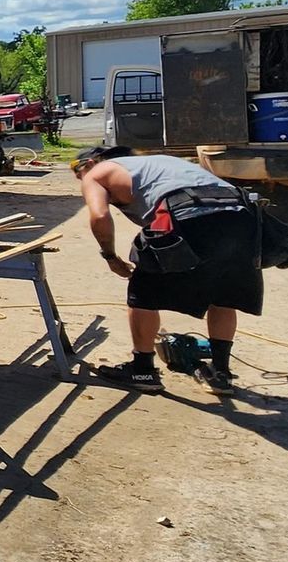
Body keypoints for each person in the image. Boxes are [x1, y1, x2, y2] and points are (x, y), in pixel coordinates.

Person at [71, 146, 262, 393]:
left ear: (90, 163)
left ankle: (143, 371)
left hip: (183, 213)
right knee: (222, 295)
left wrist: (109, 256)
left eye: (77, 171)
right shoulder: (159, 162)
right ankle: (220, 374)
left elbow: (99, 216)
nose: (79, 178)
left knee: (143, 296)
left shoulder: (96, 173)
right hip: (241, 216)